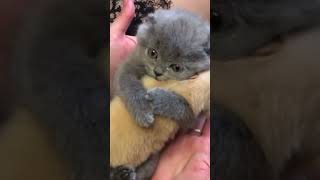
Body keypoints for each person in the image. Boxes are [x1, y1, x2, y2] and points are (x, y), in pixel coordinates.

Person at [109, 0, 210, 179]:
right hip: (118, 125)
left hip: (157, 147)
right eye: (153, 54)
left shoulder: (199, 80)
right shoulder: (140, 52)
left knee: (152, 162)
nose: (158, 70)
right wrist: (137, 99)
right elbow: (125, 75)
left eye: (176, 68)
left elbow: (191, 120)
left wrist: (172, 103)